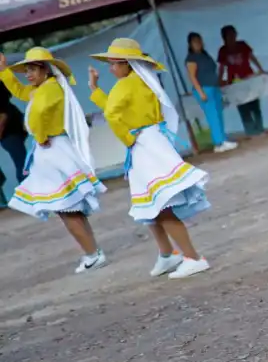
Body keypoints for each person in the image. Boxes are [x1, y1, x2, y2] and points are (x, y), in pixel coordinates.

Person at [89, 38, 211, 279]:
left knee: (161, 205)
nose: (111, 68)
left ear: (127, 64)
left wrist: (127, 138)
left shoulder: (126, 84)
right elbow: (115, 106)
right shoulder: (142, 80)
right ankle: (168, 254)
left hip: (144, 145)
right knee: (153, 206)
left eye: (114, 64)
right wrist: (96, 90)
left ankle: (193, 257)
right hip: (152, 141)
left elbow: (113, 113)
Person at [0, 48, 107, 274]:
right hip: (55, 150)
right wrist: (3, 71)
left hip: (53, 150)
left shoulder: (49, 89)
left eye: (32, 69)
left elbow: (37, 114)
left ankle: (92, 254)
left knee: (65, 207)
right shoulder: (45, 88)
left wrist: (39, 136)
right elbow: (21, 92)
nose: (27, 74)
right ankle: (93, 252)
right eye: (26, 70)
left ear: (45, 69)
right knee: (69, 206)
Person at [186, 33, 238, 153]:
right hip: (204, 89)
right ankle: (219, 142)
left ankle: (222, 139)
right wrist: (201, 92)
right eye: (195, 42)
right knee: (212, 115)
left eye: (199, 41)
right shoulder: (191, 58)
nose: (198, 43)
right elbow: (192, 76)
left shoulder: (204, 55)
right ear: (190, 44)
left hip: (214, 87)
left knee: (218, 114)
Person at [217, 25, 266, 136]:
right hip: (234, 83)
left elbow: (252, 57)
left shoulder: (242, 45)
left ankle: (260, 128)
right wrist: (222, 81)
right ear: (224, 38)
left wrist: (261, 70)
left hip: (248, 78)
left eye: (233, 34)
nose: (232, 37)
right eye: (229, 35)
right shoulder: (223, 51)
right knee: (243, 108)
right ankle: (251, 131)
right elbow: (223, 68)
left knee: (255, 104)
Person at [0, 81, 28, 183]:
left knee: (22, 162)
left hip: (14, 128)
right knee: (22, 163)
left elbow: (4, 113)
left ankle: (27, 187)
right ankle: (27, 188)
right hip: (10, 132)